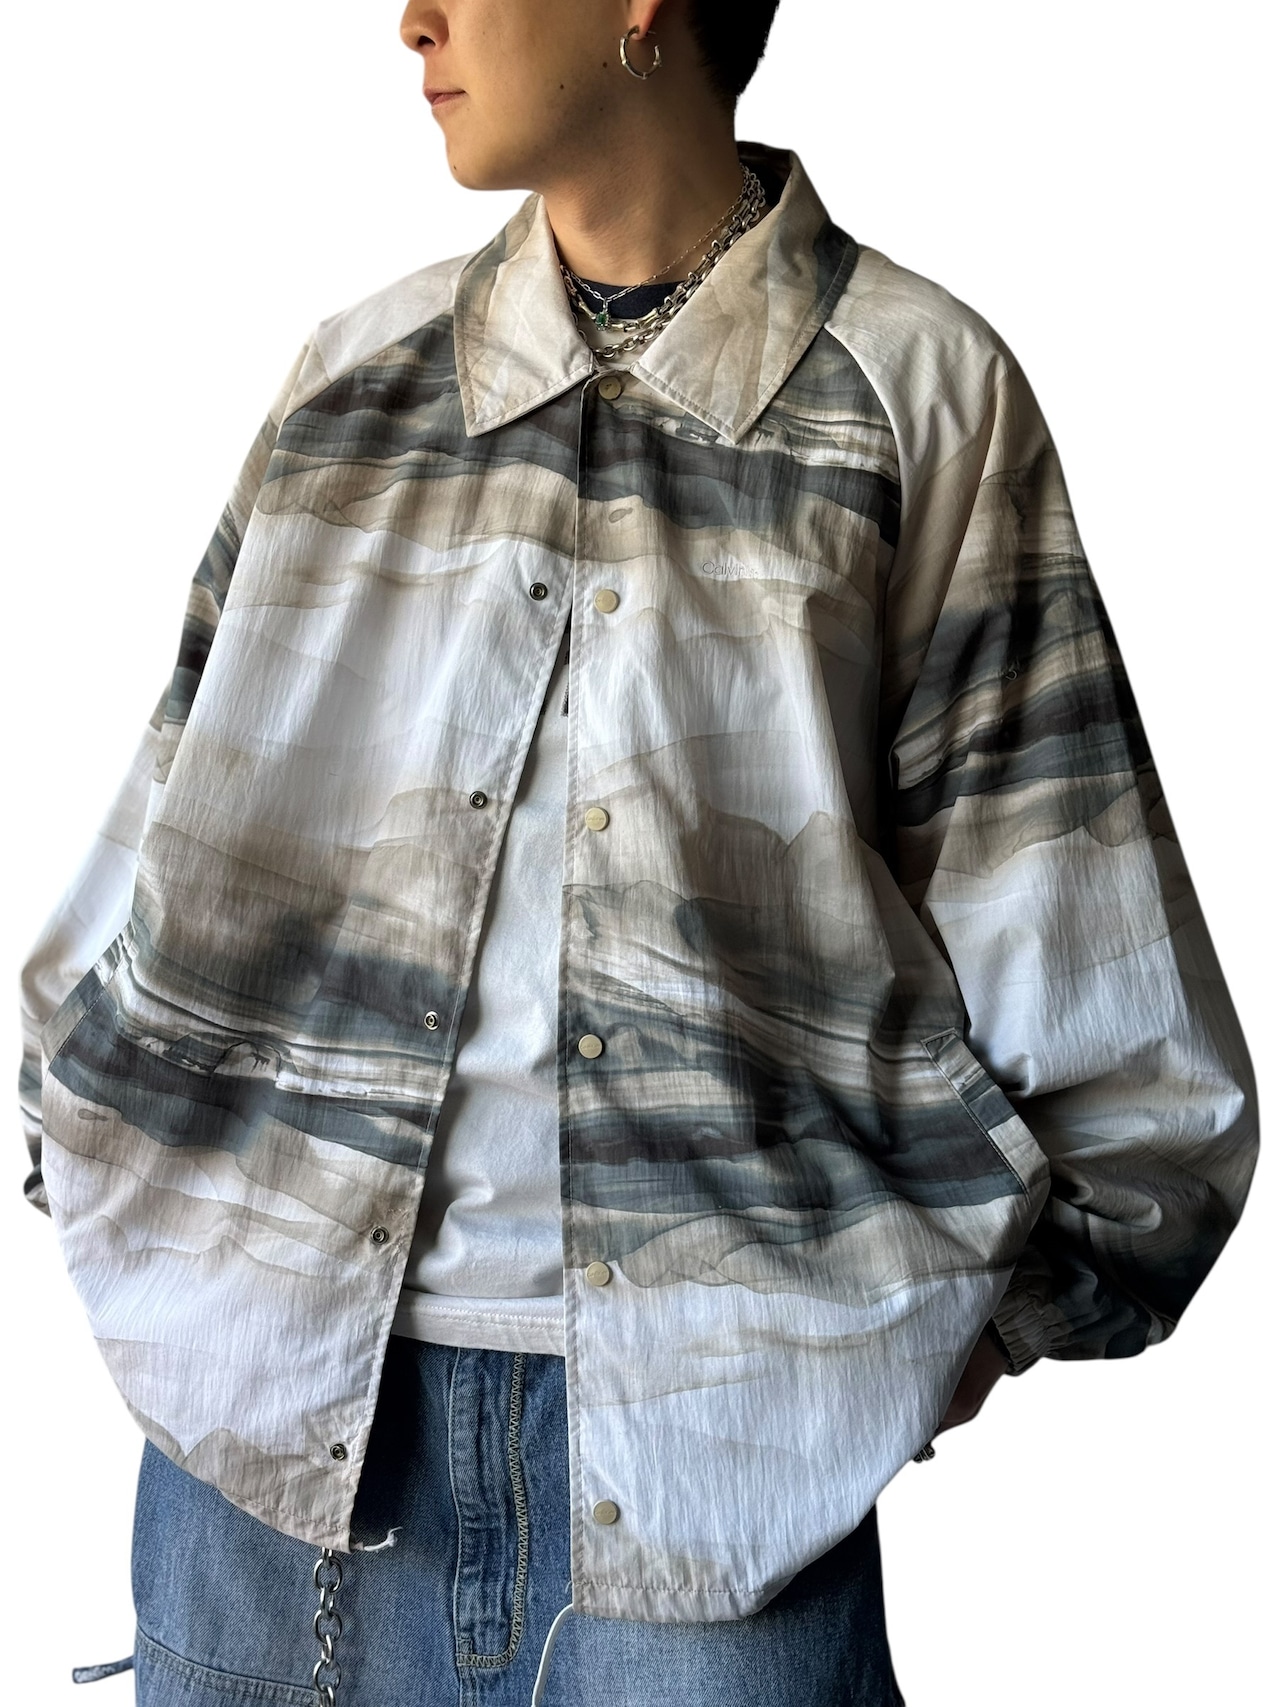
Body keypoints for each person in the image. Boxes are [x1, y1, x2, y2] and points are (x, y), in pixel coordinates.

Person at [17, 1, 1260, 1703]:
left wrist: (931, 1344)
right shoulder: (358, 383)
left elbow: (1076, 927)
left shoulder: (914, 392)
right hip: (263, 1455)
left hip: (724, 1482)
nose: (412, 19)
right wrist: (92, 1142)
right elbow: (168, 836)